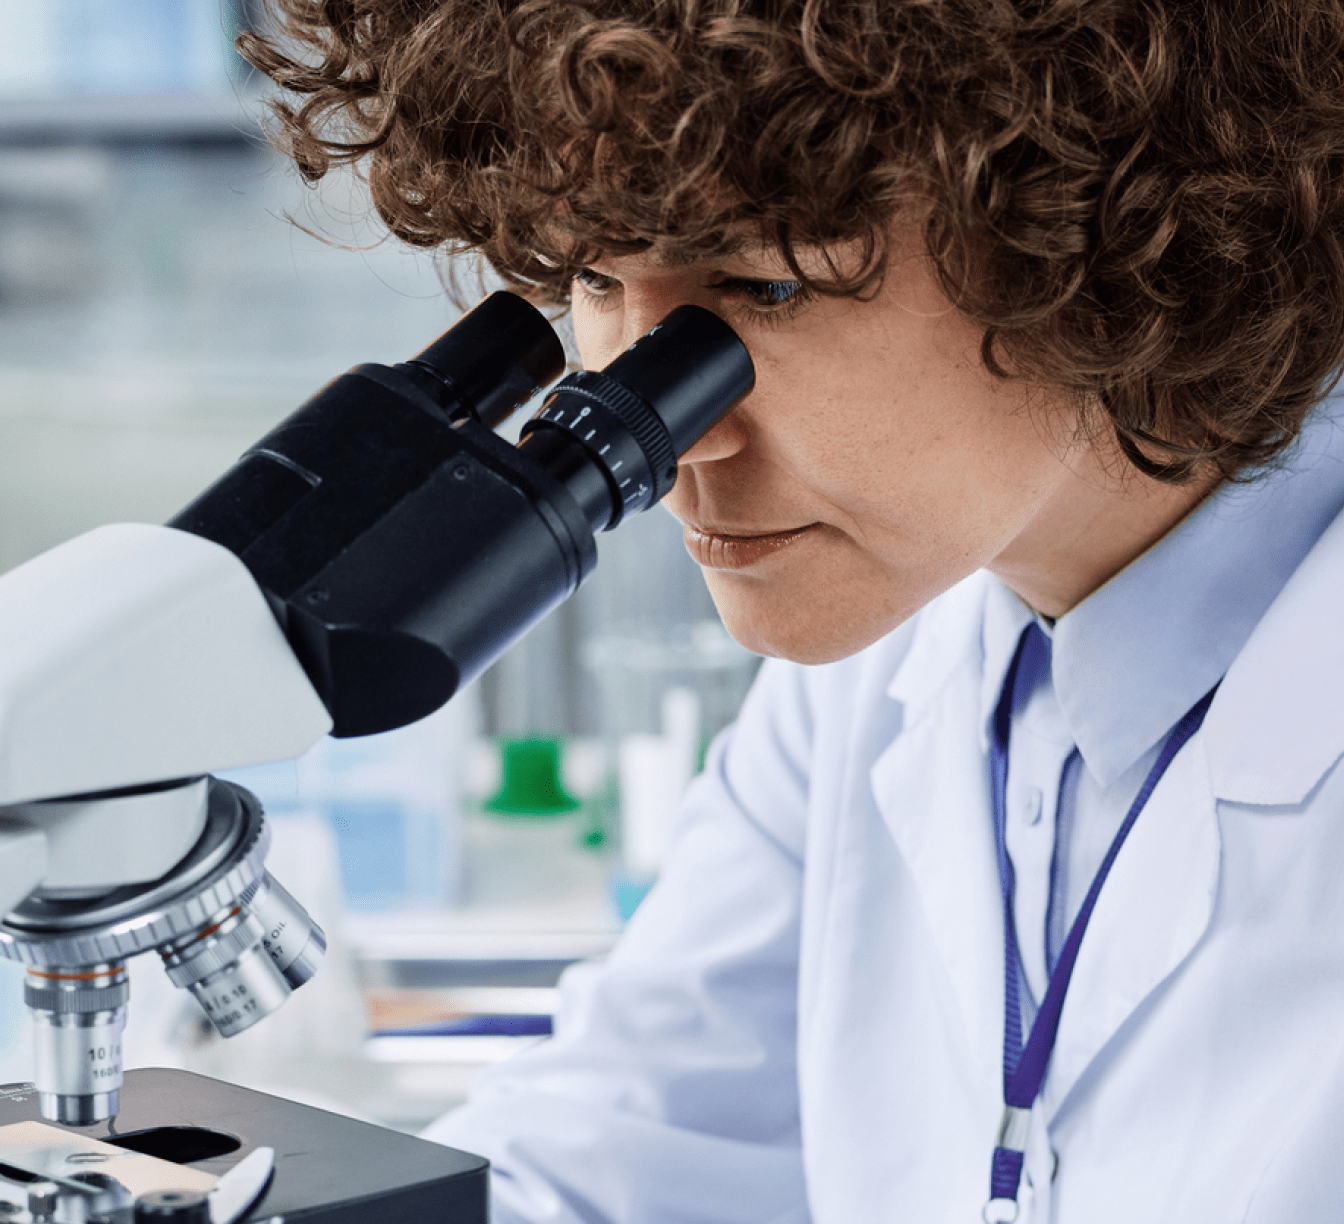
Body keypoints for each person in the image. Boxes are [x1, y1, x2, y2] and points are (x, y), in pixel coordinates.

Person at [240, 2, 1344, 1220]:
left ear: (1124, 230)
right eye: (596, 276)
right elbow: (607, 1157)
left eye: (765, 286)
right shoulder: (882, 672)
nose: (669, 439)